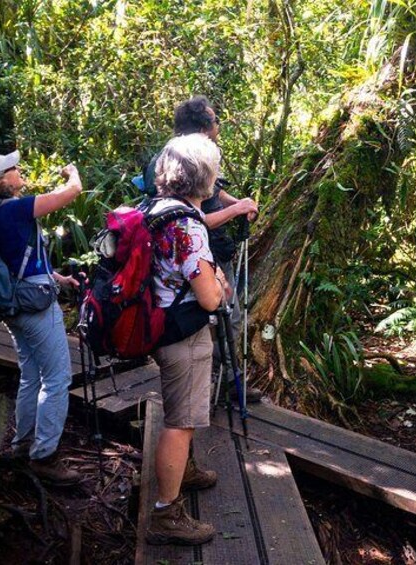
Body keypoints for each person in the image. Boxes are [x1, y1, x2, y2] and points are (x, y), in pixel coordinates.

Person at [0, 150, 83, 485]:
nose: (19, 170)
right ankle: (45, 456)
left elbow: (20, 256)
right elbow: (72, 192)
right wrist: (72, 172)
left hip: (13, 302)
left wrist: (57, 277)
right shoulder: (15, 208)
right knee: (58, 378)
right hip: (33, 307)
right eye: (13, 168)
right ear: (1, 180)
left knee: (31, 375)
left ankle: (22, 444)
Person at [144, 134, 231, 546]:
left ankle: (186, 471)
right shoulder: (188, 226)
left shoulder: (158, 209)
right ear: (204, 176)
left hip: (161, 322)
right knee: (180, 421)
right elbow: (210, 297)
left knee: (185, 414)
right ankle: (166, 512)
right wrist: (220, 287)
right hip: (183, 332)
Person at [169, 96, 262, 401]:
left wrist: (238, 203)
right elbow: (191, 221)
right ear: (203, 127)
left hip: (215, 253)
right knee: (216, 318)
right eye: (214, 120)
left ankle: (225, 381)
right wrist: (236, 212)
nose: (218, 125)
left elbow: (212, 194)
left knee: (230, 318)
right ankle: (209, 386)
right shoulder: (183, 161)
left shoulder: (193, 156)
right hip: (199, 259)